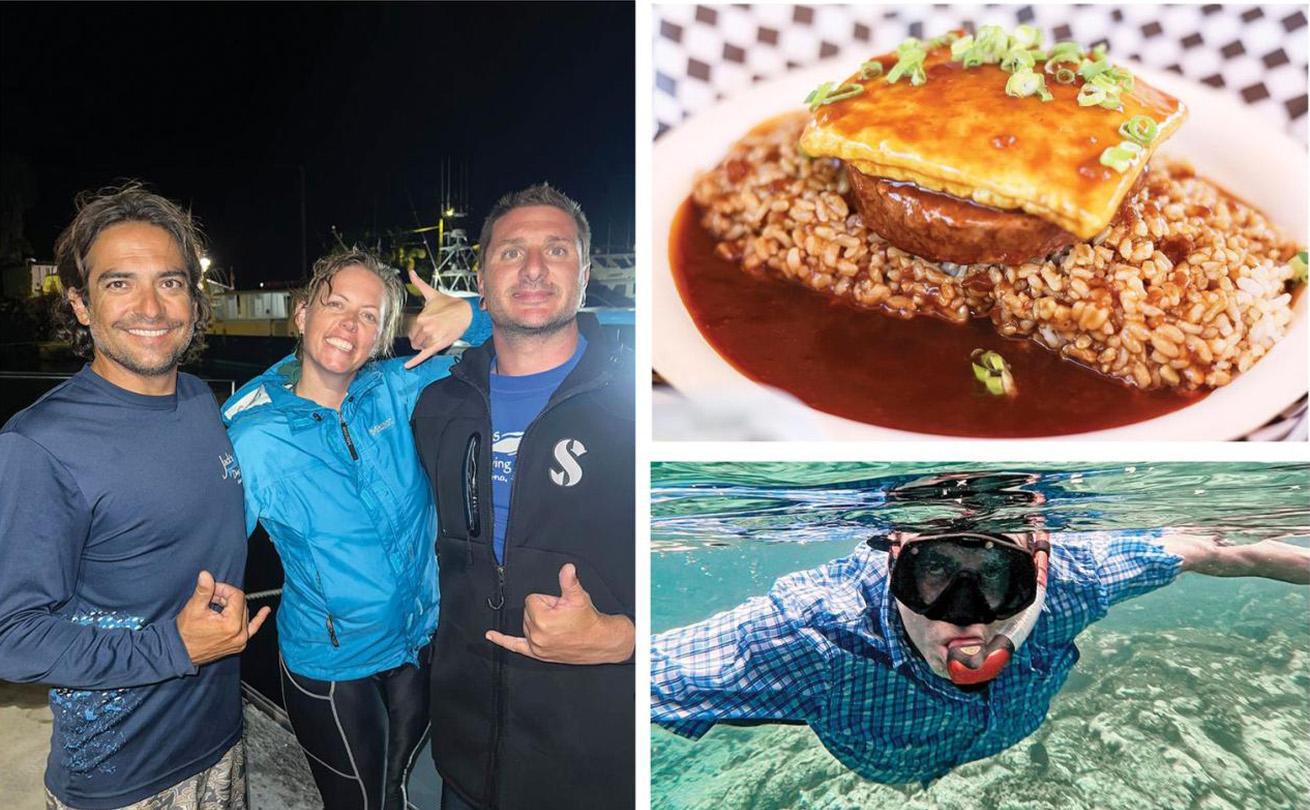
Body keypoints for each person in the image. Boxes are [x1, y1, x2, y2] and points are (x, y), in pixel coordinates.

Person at [651, 527, 1310, 785]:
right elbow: (648, 673)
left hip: (990, 734)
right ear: (891, 563)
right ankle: (763, 707)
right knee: (758, 694)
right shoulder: (811, 634)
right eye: (932, 578)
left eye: (999, 582)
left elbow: (1221, 550)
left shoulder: (1079, 580)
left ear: (1043, 570)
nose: (961, 621)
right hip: (886, 758)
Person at [0, 184, 269, 810]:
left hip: (220, 741)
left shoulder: (203, 402)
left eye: (171, 283)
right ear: (80, 305)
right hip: (121, 781)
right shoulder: (41, 443)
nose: (151, 306)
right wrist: (174, 647)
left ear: (194, 302)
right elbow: (10, 635)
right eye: (119, 283)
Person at [221, 248, 489, 810]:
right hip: (332, 668)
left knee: (396, 792)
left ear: (384, 333)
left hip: (417, 645)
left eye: (369, 315)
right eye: (336, 304)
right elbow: (201, 546)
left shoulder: (400, 385)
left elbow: (517, 342)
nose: (349, 324)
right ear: (301, 315)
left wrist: (469, 313)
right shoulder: (252, 435)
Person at [411, 184, 635, 810]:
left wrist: (625, 639)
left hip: (594, 770)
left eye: (556, 250)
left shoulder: (645, 410)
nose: (534, 268)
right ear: (480, 281)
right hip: (464, 757)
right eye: (512, 253)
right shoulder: (437, 407)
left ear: (585, 276)